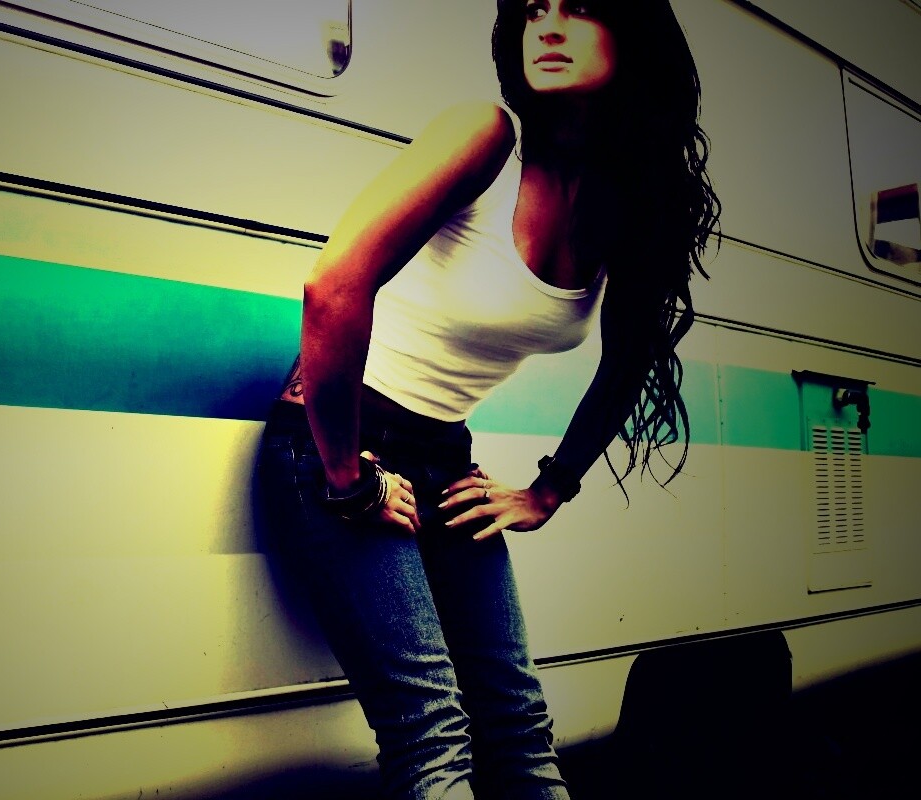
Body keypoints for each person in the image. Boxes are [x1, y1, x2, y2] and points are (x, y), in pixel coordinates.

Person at [254, 1, 721, 798]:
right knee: (433, 737)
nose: (549, 26)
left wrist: (551, 487)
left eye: (579, 8)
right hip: (333, 445)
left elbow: (630, 358)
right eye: (535, 8)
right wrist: (348, 480)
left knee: (519, 730)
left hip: (444, 459)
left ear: (633, 34)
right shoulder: (485, 137)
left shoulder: (625, 201)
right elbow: (332, 288)